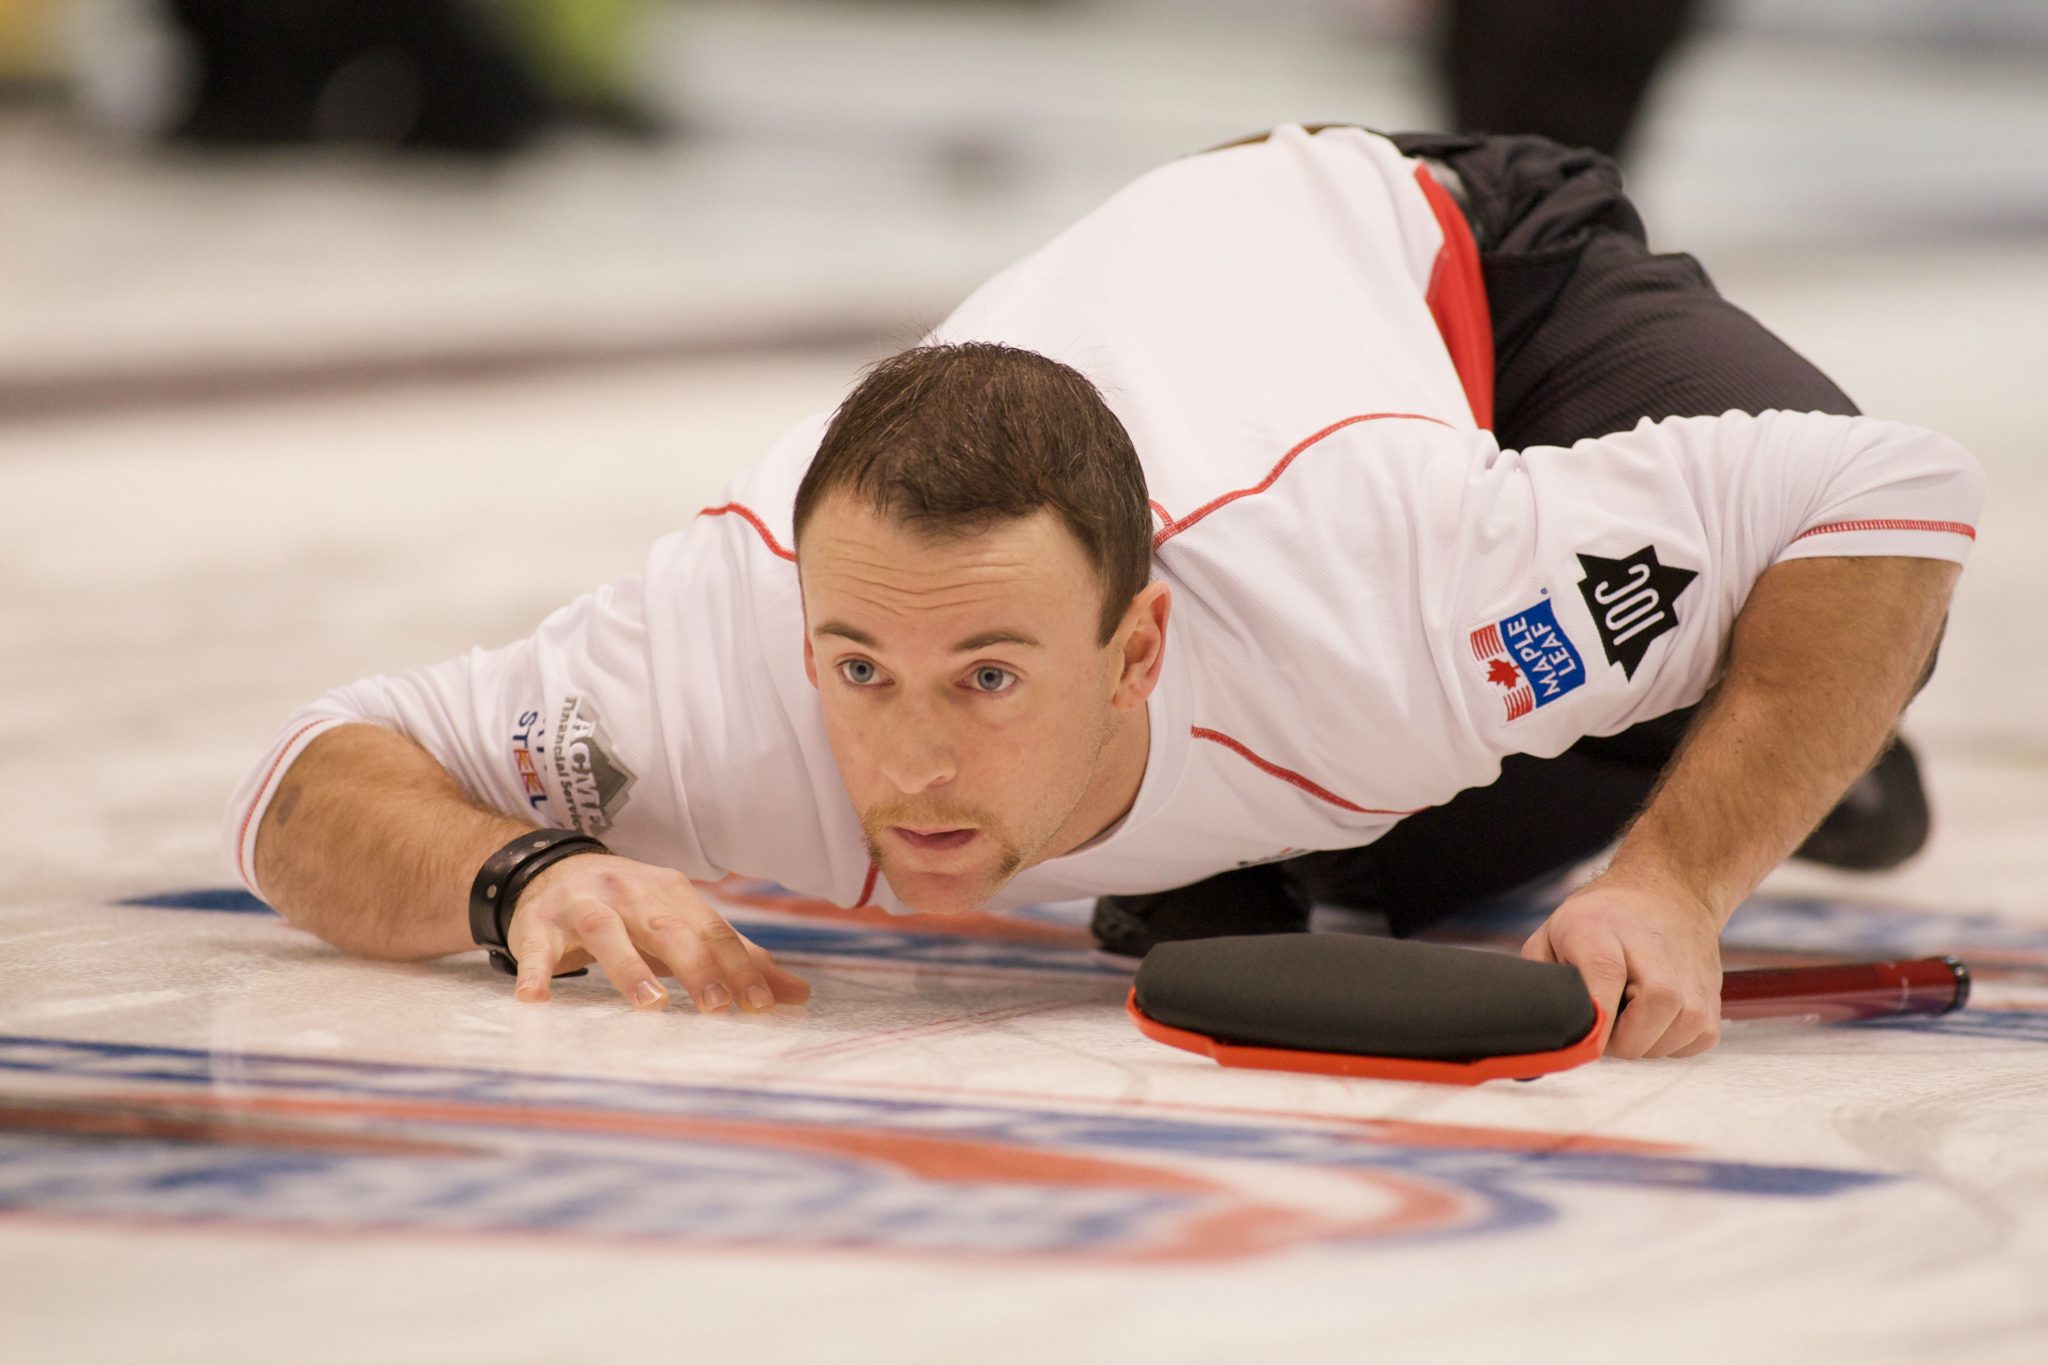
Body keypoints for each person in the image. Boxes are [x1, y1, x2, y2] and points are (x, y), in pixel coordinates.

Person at [226, 125, 1982, 1061]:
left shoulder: (1396, 591)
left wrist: (1682, 876)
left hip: (1457, 285)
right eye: (862, 670)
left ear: (1140, 645)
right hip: (1256, 487)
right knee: (1363, 787)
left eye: (987, 678)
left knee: (1801, 632)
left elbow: (1891, 494)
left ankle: (1731, 728)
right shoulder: (714, 671)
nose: (904, 766)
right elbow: (307, 771)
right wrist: (519, 866)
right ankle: (1259, 845)